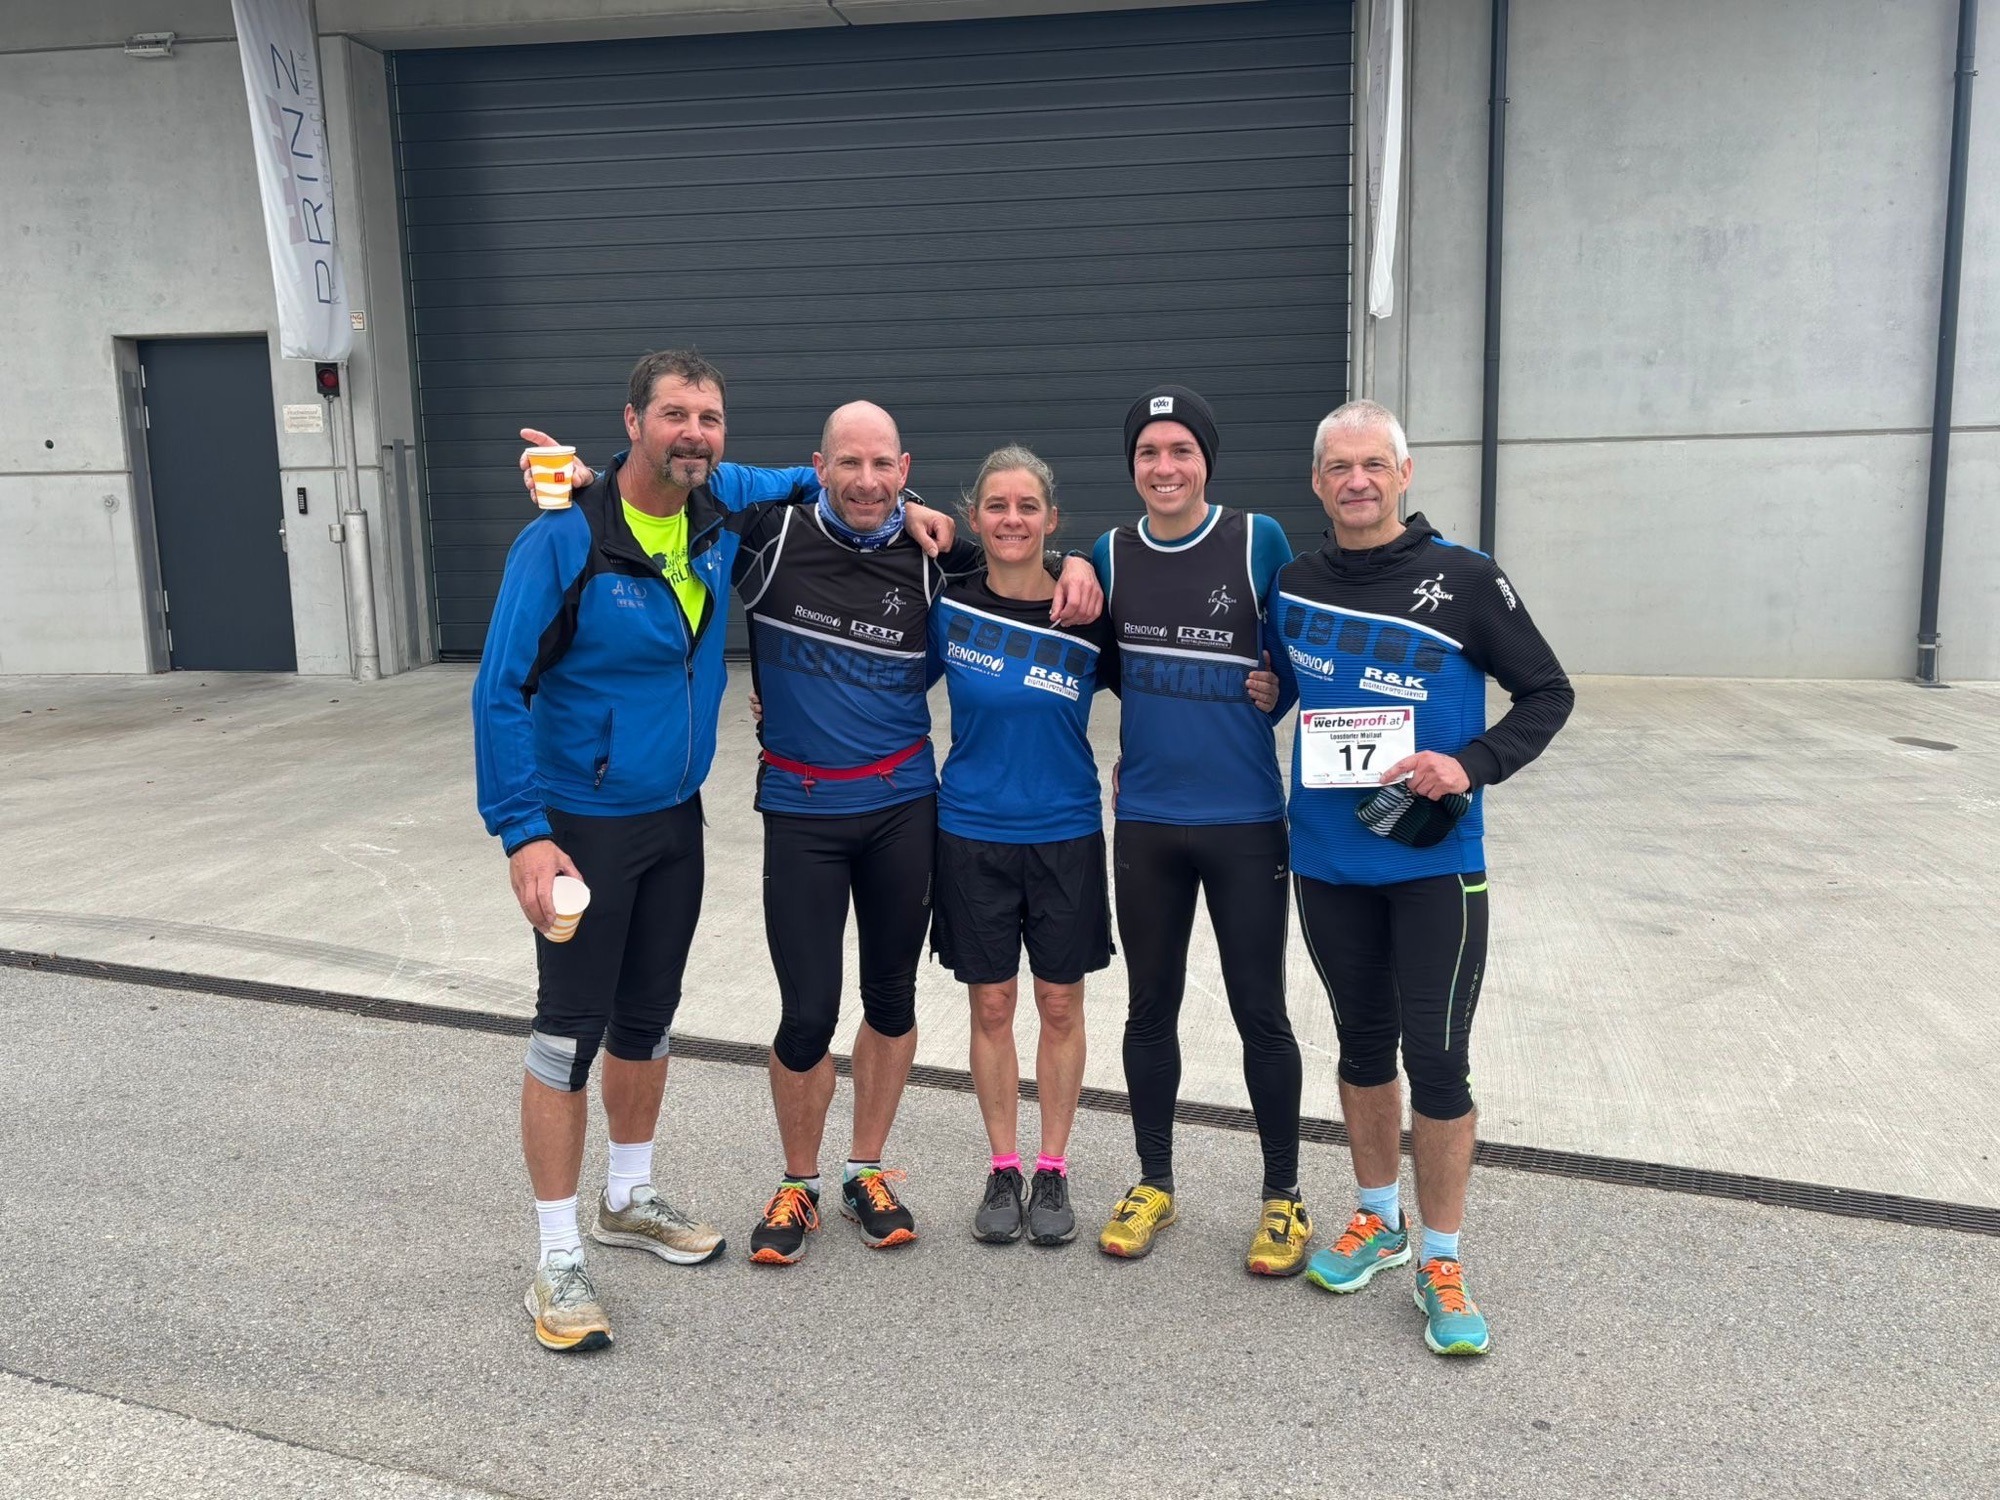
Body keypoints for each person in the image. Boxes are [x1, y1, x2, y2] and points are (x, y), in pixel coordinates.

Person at [475, 350, 816, 1354]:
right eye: (674, 414)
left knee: (647, 1019)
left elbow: (815, 478)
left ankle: (627, 1197)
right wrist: (524, 835)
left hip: (673, 819)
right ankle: (556, 1258)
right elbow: (498, 690)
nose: (694, 433)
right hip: (579, 826)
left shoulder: (717, 505)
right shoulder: (562, 537)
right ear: (632, 423)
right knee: (565, 1036)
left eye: (709, 417)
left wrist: (916, 509)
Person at [1265, 398, 1572, 1356]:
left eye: (1373, 464)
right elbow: (1281, 685)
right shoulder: (1294, 583)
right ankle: (1377, 1218)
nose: (1356, 481)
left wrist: (1471, 763)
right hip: (1327, 857)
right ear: (1317, 483)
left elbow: (1547, 691)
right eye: (1338, 467)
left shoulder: (1467, 579)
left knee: (1438, 1061)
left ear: (1404, 474)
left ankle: (1442, 1258)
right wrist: (1262, 691)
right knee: (1362, 1046)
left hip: (1435, 863)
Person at [1089, 385, 1313, 1276]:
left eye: (1181, 449)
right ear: (1132, 466)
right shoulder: (1110, 553)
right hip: (1148, 820)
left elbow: (1297, 659)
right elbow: (1097, 660)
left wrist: (1276, 692)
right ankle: (1155, 1182)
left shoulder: (1258, 540)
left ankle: (1283, 1195)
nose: (1165, 466)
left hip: (1246, 820)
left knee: (1262, 1011)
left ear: (1207, 460)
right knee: (1150, 1007)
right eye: (1149, 452)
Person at [925, 446, 1118, 1247]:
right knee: (993, 1003)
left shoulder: (1090, 611)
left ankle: (1053, 1168)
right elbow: (879, 680)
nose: (1012, 520)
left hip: (1066, 831)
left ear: (1052, 518)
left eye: (1028, 506)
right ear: (973, 516)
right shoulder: (946, 606)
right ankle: (1003, 1166)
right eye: (997, 506)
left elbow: (1164, 684)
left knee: (1060, 1004)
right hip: (971, 831)